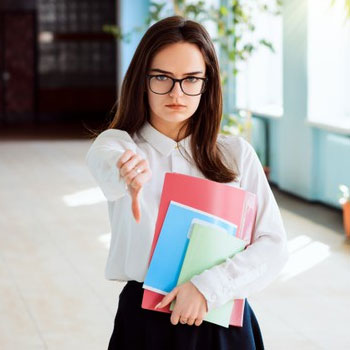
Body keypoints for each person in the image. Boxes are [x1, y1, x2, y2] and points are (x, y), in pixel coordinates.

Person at [86, 15, 288, 350]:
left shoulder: (236, 154)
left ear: (207, 84)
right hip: (146, 324)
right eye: (162, 77)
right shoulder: (121, 146)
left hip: (221, 321)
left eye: (191, 79)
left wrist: (208, 288)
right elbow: (103, 156)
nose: (177, 93)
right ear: (141, 80)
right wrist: (126, 170)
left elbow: (273, 245)